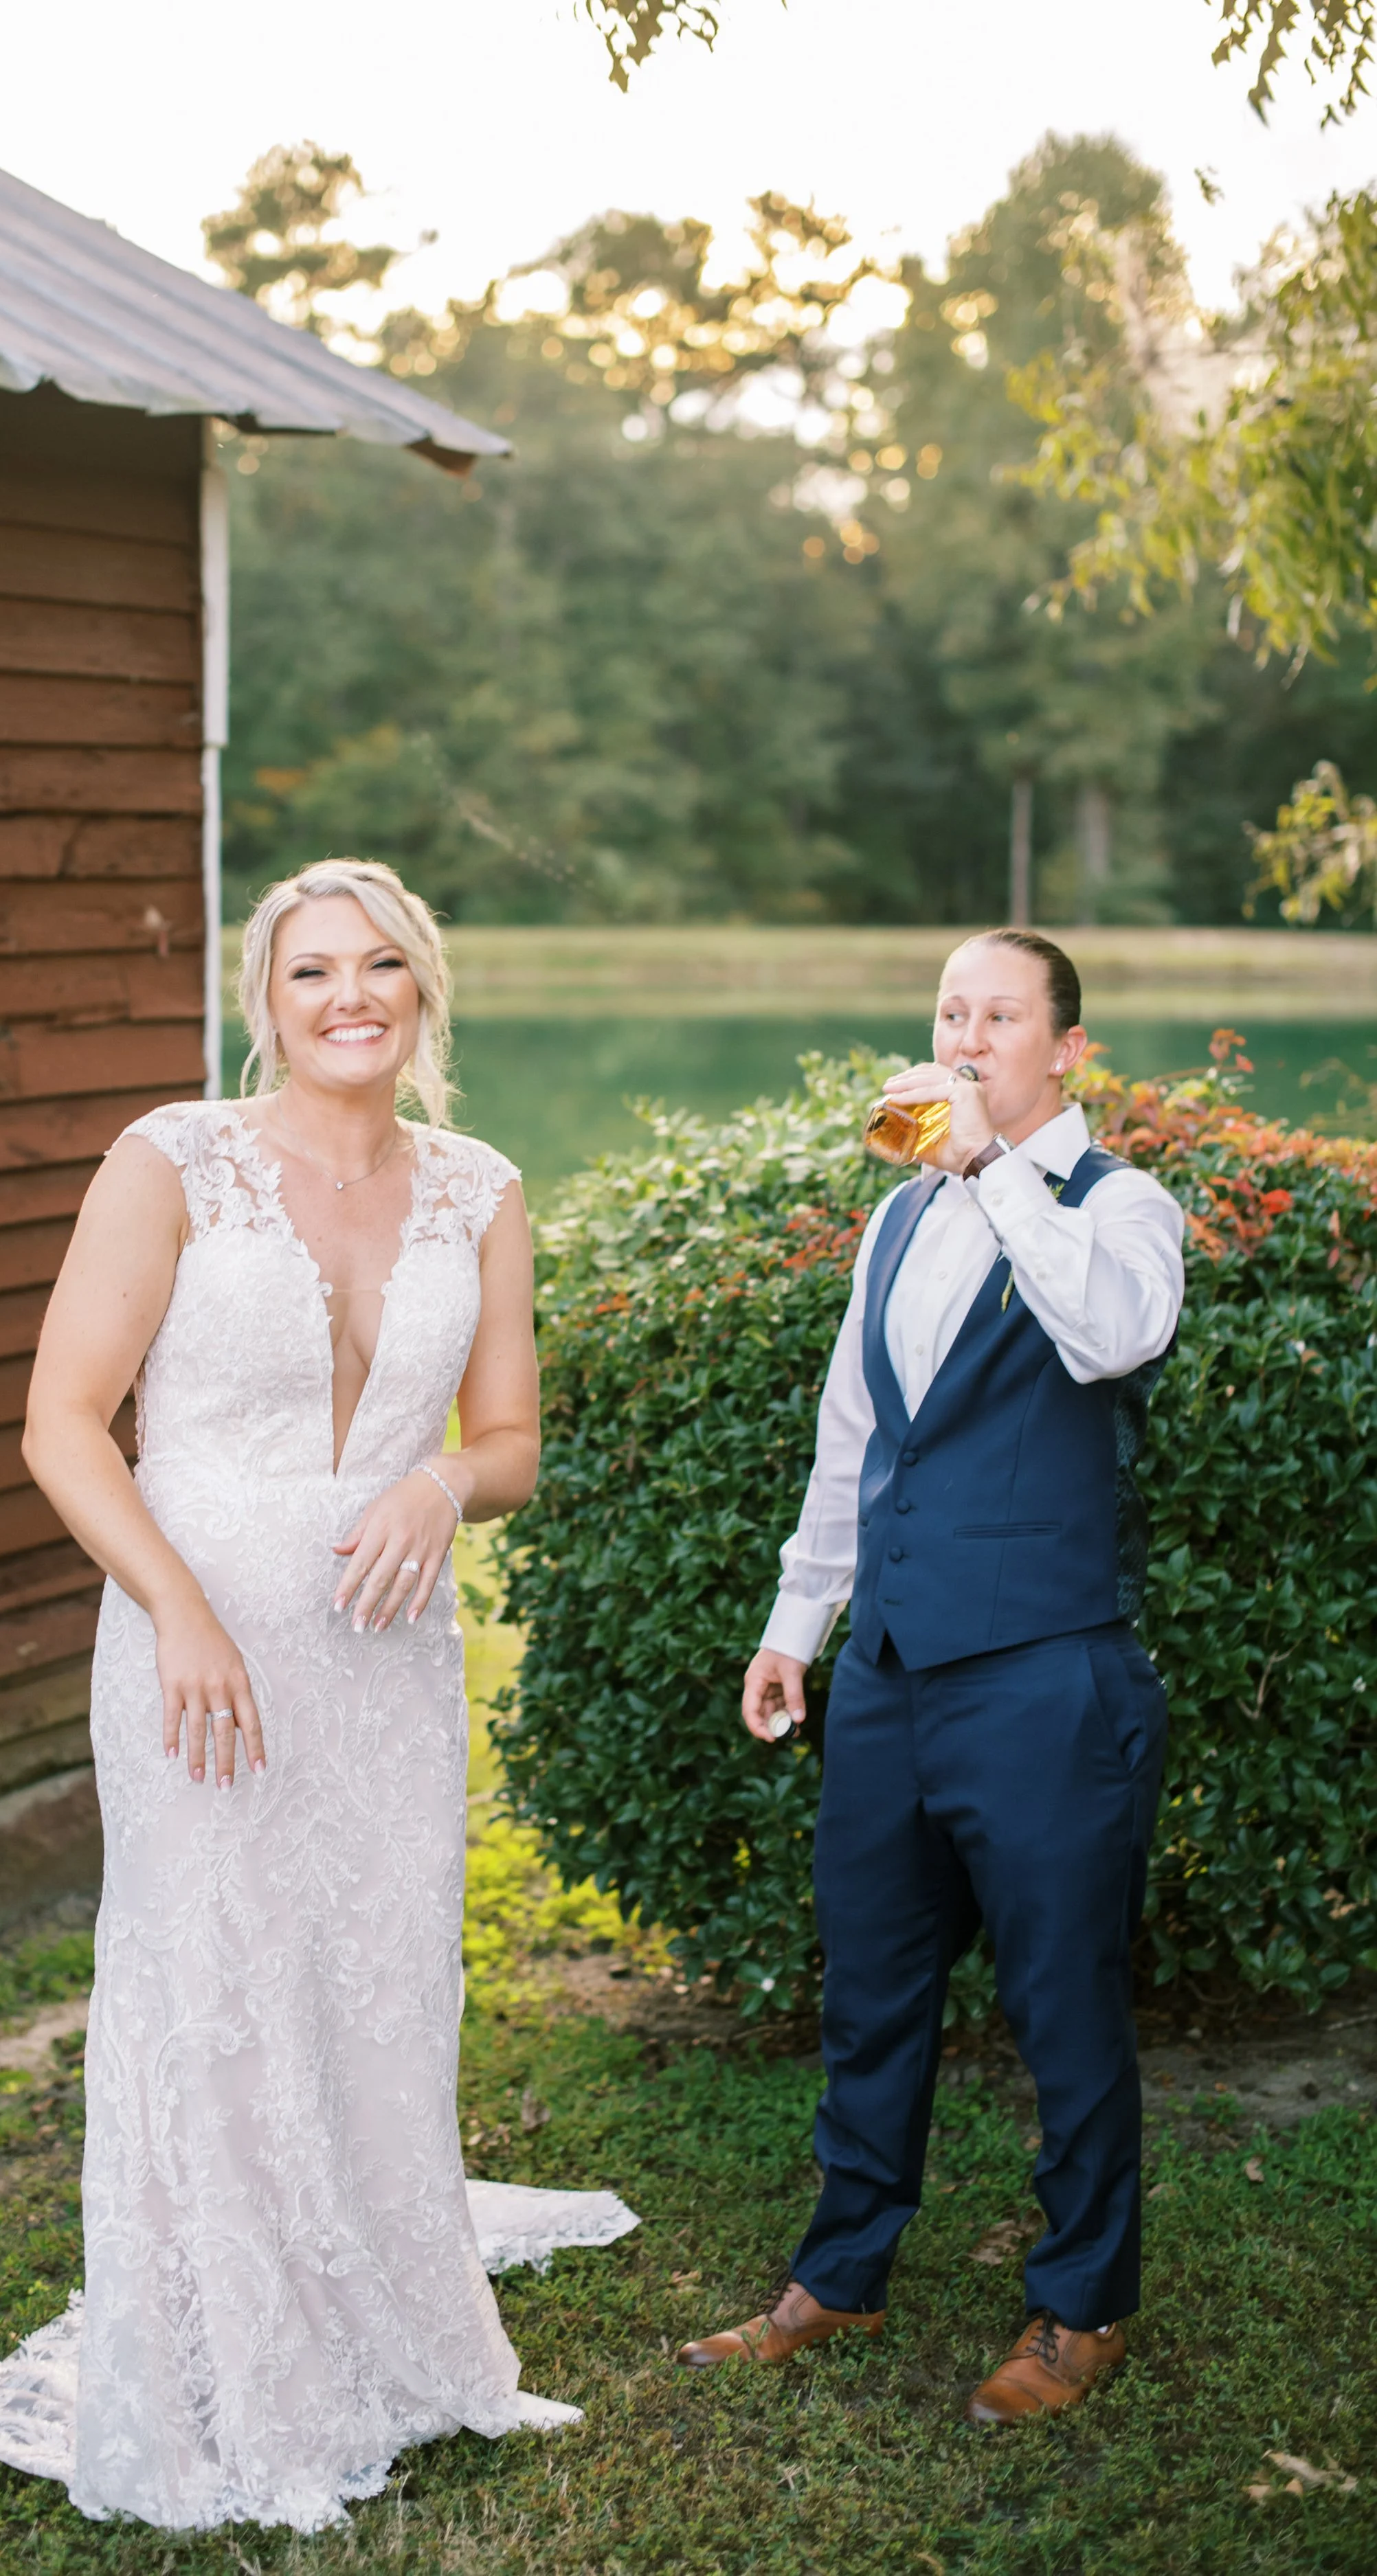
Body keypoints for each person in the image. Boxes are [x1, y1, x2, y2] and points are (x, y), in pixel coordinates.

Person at [0, 859, 634, 2533]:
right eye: (312, 970)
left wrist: (438, 1486)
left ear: (421, 991)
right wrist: (174, 1607)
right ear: (267, 1002)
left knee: (376, 1992)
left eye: (379, 966)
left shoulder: (481, 1186)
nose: (349, 996)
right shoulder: (169, 1159)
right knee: (216, 1989)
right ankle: (227, 2369)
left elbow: (511, 1440)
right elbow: (61, 1422)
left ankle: (397, 2348)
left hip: (381, 1657)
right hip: (199, 1650)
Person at [677, 928, 1185, 2426]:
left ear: (1062, 1049)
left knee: (1062, 2005)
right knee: (874, 1994)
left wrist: (991, 1168)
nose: (964, 1037)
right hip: (892, 1681)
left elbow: (1108, 1338)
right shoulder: (896, 1219)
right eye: (949, 1009)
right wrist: (795, 1625)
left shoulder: (1117, 1205)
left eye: (999, 1014)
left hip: (1044, 1679)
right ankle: (838, 2272)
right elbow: (857, 1438)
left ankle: (1077, 2307)